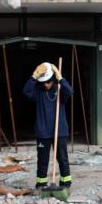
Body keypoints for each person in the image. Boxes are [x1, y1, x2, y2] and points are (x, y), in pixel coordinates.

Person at [23, 61, 74, 189]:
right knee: (42, 161)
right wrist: (33, 76)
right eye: (43, 82)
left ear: (53, 79)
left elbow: (70, 92)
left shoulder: (60, 89)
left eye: (48, 82)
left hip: (60, 131)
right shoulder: (38, 91)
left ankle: (65, 183)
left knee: (62, 159)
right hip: (43, 132)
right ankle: (41, 184)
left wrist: (61, 78)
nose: (46, 84)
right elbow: (26, 91)